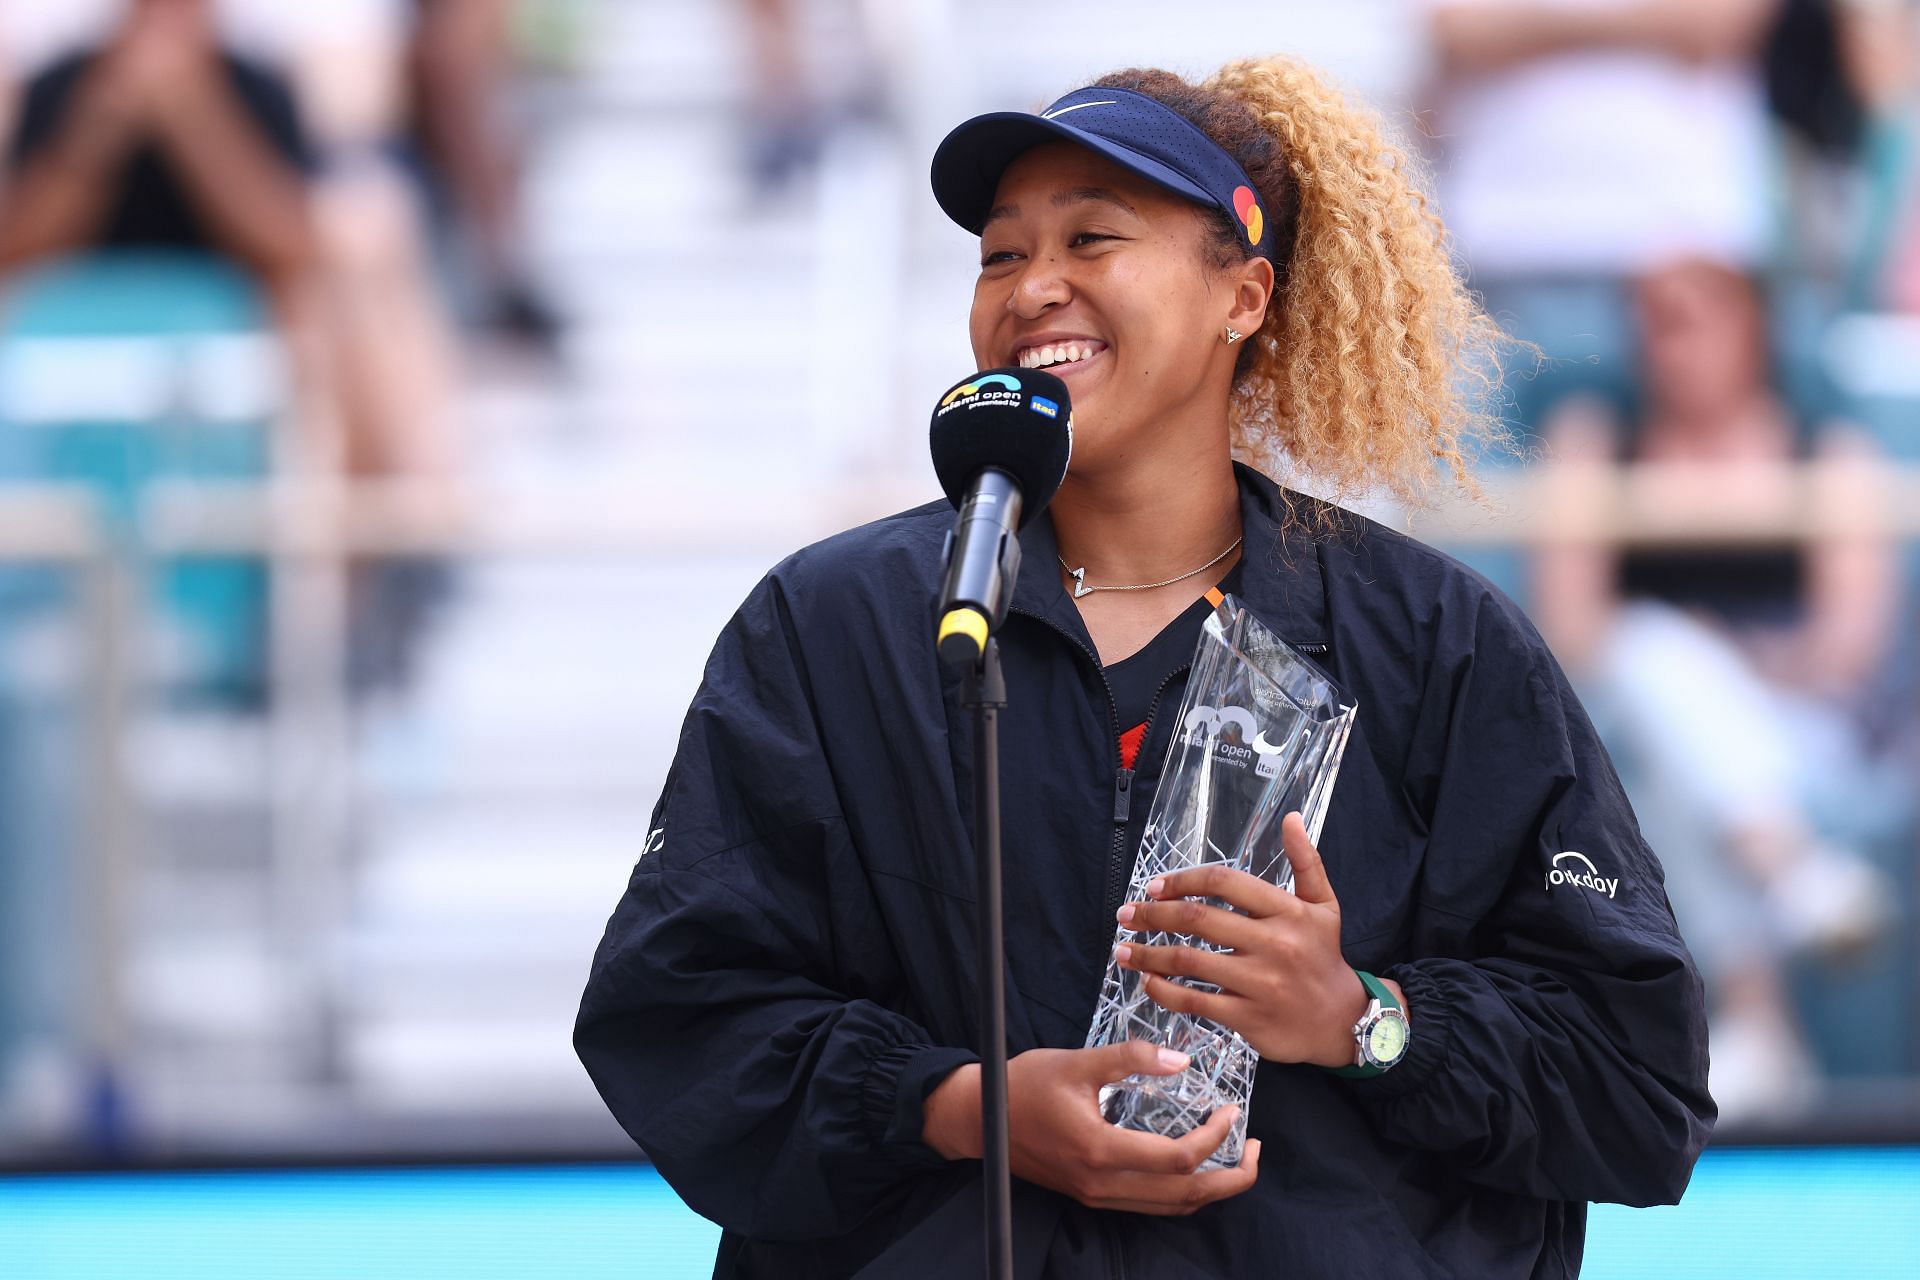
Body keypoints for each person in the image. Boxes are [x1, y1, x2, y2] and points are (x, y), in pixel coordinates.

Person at [575, 55, 1713, 1278]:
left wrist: (1362, 1019)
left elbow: (1636, 1084)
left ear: (1245, 295)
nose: (1033, 288)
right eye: (1000, 255)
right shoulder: (836, 622)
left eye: (1092, 237)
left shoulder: (1438, 641)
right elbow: (676, 1016)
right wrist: (968, 1107)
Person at [1531, 256, 1900, 1120]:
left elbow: (1847, 647)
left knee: (1664, 739)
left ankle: (1760, 1018)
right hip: (1638, 709)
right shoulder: (1600, 442)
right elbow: (1572, 631)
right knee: (1651, 658)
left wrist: (1719, 654)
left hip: (1797, 727)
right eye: (1655, 321)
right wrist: (1686, 651)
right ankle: (1793, 869)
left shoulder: (1826, 450)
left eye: (1695, 319)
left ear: (1752, 327)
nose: (1674, 345)